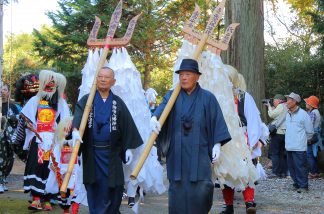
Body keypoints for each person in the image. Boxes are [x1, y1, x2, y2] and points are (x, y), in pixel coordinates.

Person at [150, 58, 231, 214]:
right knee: (177, 191)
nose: (184, 78)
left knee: (201, 190)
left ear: (197, 77)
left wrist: (217, 144)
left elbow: (217, 121)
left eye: (188, 74)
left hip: (200, 152)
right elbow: (162, 107)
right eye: (181, 74)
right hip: (177, 153)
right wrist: (154, 117)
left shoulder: (208, 98)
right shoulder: (172, 96)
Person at [72, 67, 143, 214]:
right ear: (96, 79)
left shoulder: (117, 102)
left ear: (113, 81)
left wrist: (127, 148)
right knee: (94, 187)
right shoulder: (87, 100)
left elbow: (127, 125)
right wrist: (75, 131)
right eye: (100, 76)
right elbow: (78, 117)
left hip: (112, 154)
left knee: (115, 188)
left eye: (106, 77)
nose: (103, 79)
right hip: (92, 153)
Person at [14, 70, 70, 210]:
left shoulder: (61, 103)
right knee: (36, 165)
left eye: (53, 83)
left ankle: (48, 199)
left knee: (51, 168)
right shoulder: (35, 100)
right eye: (48, 83)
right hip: (38, 140)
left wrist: (61, 136)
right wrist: (30, 126)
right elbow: (25, 118)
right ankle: (36, 198)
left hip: (53, 141)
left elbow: (66, 122)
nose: (50, 85)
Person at [220, 66, 262, 214]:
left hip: (243, 140)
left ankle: (249, 202)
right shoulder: (219, 97)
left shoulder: (244, 97)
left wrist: (253, 140)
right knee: (226, 172)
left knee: (246, 170)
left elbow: (253, 120)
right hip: (225, 140)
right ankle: (228, 205)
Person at [285, 92, 314, 193]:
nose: (287, 102)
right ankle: (297, 183)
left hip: (299, 147)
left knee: (301, 167)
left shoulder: (303, 114)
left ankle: (303, 186)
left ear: (294, 102)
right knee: (292, 167)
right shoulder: (287, 113)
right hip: (289, 146)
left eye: (288, 100)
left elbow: (310, 132)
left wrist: (302, 141)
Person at [0, 83, 19, 193]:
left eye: (4, 89)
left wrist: (8, 118)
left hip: (10, 138)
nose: (2, 91)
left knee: (9, 159)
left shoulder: (12, 106)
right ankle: (0, 181)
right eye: (1, 89)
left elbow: (19, 117)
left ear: (8, 92)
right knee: (1, 159)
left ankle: (3, 179)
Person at [266, 94, 288, 178]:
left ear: (279, 100)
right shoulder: (286, 106)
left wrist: (269, 106)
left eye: (274, 100)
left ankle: (275, 172)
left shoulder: (281, 106)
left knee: (274, 153)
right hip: (285, 133)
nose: (273, 102)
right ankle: (283, 172)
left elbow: (272, 115)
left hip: (278, 133)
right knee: (282, 153)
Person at [304, 95, 322, 179]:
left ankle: (313, 172)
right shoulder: (315, 112)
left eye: (307, 103)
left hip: (311, 137)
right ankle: (317, 171)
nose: (305, 104)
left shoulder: (313, 113)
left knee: (309, 154)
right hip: (315, 136)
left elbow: (309, 125)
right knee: (313, 155)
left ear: (311, 105)